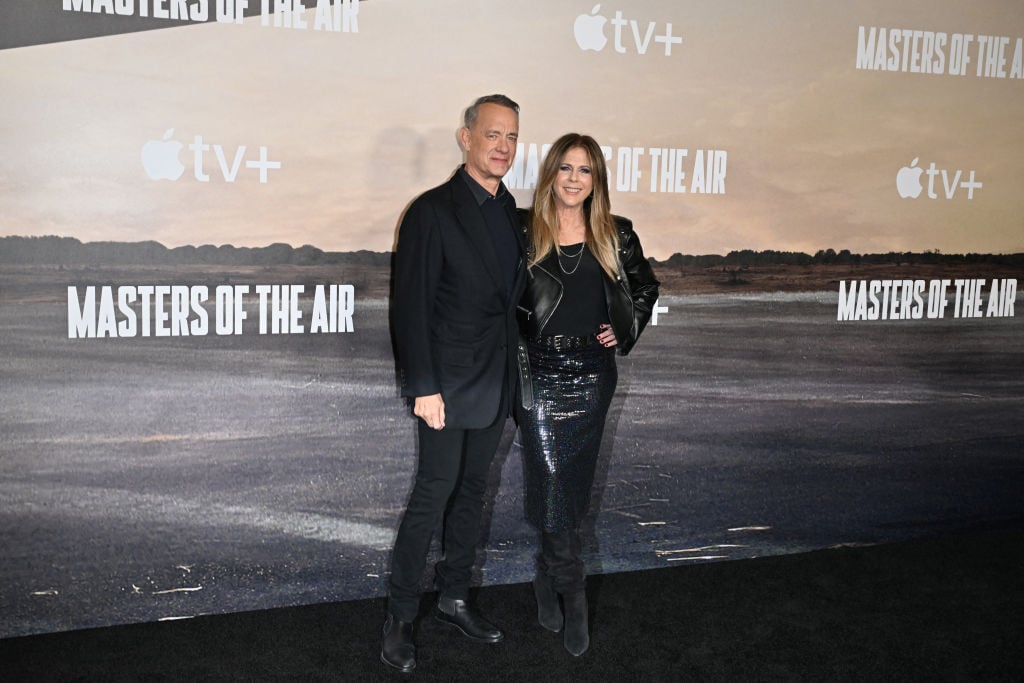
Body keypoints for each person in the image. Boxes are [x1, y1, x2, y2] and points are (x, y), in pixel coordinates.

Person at [382, 94, 526, 673]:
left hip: (495, 381)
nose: (503, 147)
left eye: (512, 137)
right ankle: (398, 616)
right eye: (493, 135)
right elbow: (409, 307)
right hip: (444, 385)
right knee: (432, 494)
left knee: (473, 494)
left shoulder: (512, 211)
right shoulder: (431, 211)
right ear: (465, 138)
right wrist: (423, 386)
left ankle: (454, 596)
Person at [515, 133, 660, 657]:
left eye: (585, 170)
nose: (574, 179)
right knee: (552, 481)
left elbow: (645, 288)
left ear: (595, 179)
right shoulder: (524, 230)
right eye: (566, 168)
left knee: (569, 487)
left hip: (592, 374)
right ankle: (572, 595)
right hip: (539, 374)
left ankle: (545, 577)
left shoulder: (615, 233)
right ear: (551, 173)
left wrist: (624, 329)